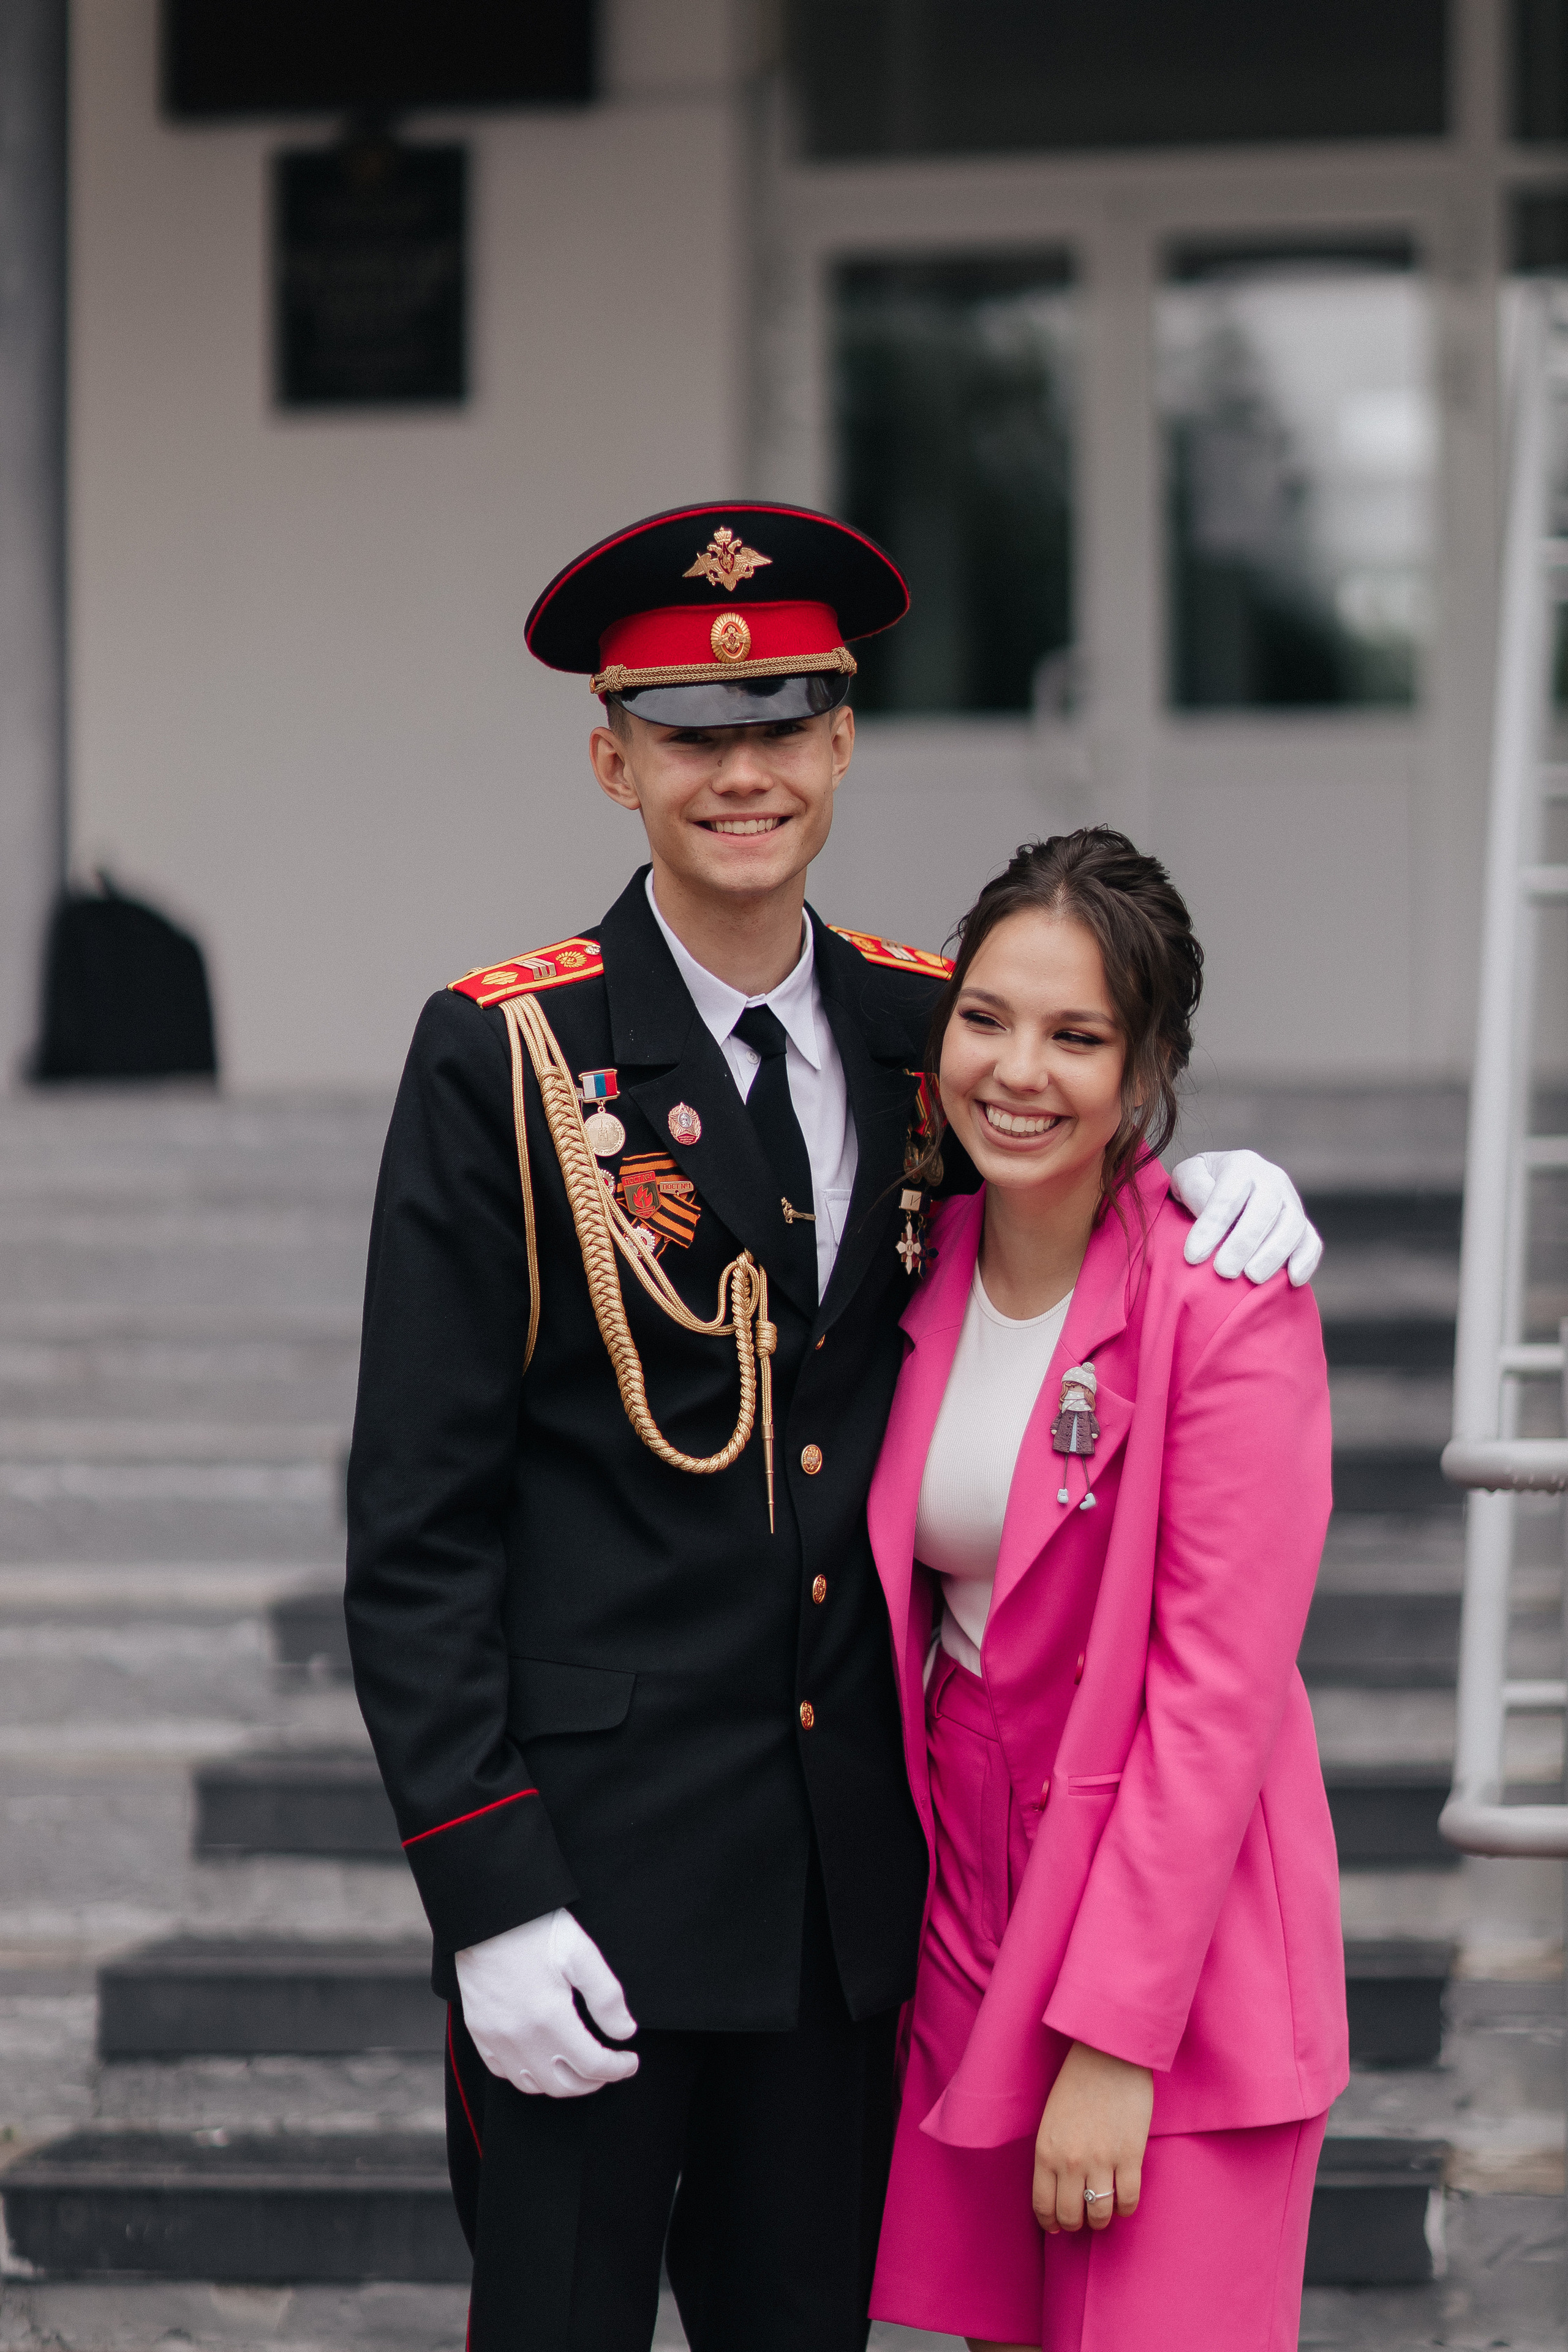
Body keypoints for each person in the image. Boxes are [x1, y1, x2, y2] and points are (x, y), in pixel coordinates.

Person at [344, 503, 1324, 2352]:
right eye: (689, 734)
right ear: (613, 760)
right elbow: (417, 1532)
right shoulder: (505, 1058)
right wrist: (488, 1892)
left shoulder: (921, 1032)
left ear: (844, 740)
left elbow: (1065, 1144)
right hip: (595, 1891)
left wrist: (1204, 1184)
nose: (744, 773)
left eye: (783, 723)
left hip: (841, 1906)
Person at [865, 831, 1347, 2352]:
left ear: (1144, 1071)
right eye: (986, 1018)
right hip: (969, 1905)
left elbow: (1214, 1704)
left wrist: (1115, 2043)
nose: (1018, 1072)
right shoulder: (912, 1262)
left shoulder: (1222, 1299)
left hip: (1173, 1945)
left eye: (1075, 1037)